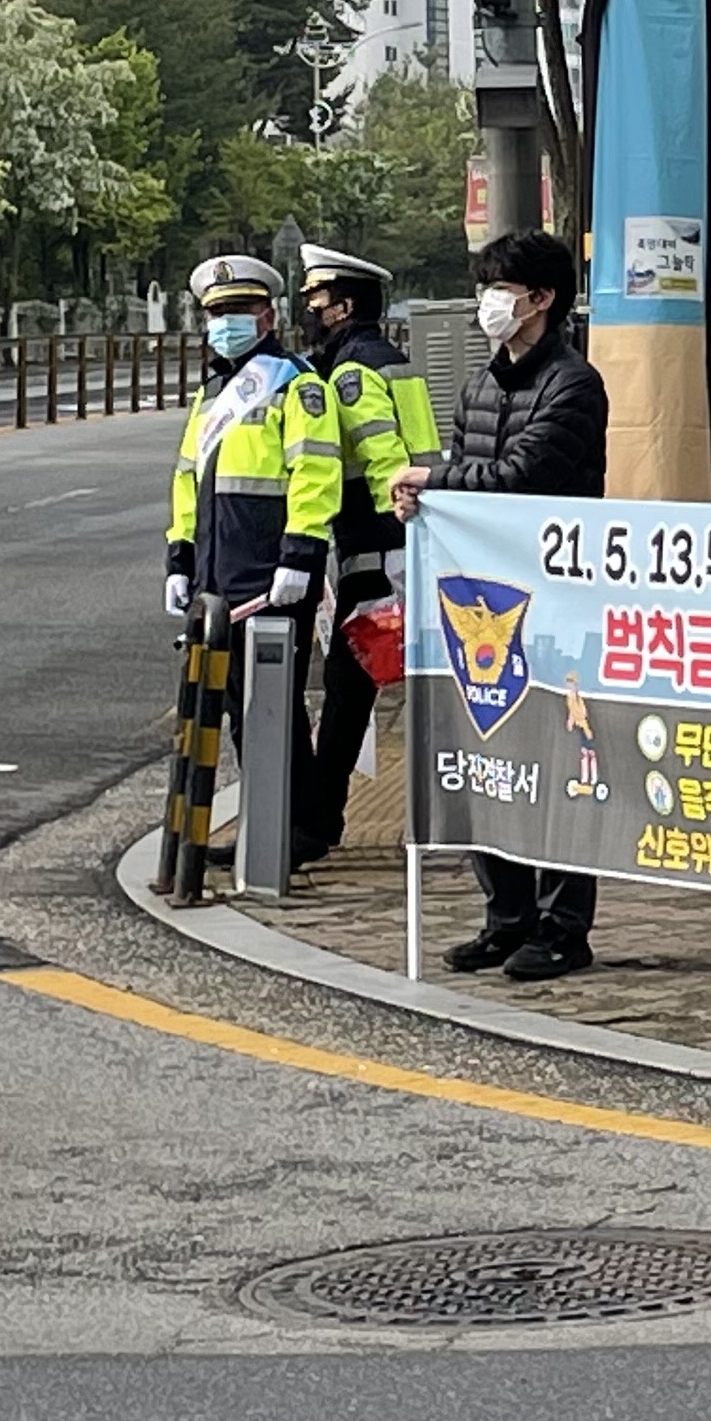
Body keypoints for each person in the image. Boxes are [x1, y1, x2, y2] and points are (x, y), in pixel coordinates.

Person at [393, 228, 610, 981]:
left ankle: (561, 928)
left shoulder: (574, 385)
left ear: (540, 299)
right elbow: (460, 468)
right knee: (487, 760)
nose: (490, 303)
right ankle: (506, 916)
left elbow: (523, 478)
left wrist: (435, 482)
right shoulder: (481, 384)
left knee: (557, 765)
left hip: (554, 606)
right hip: (480, 604)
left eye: (501, 289)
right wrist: (426, 492)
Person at [165, 255, 346, 822]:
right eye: (217, 312)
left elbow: (315, 475)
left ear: (267, 316)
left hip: (271, 580)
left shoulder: (296, 385)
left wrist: (300, 556)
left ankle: (286, 835)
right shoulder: (211, 394)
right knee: (235, 713)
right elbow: (187, 482)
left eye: (239, 310)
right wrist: (179, 558)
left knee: (273, 713)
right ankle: (271, 829)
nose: (226, 322)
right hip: (216, 582)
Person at [286, 243, 437, 873]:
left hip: (378, 551)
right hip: (409, 543)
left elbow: (384, 460)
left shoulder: (350, 373)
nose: (310, 313)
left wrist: (388, 552)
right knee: (366, 693)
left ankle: (317, 825)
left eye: (317, 303)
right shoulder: (391, 360)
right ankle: (320, 819)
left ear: (343, 307)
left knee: (349, 695)